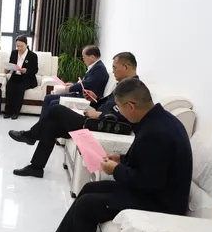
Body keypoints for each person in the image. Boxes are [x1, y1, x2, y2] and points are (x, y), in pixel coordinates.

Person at [28, 78, 193, 232]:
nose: (119, 112)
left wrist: (116, 170)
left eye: (119, 107)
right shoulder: (158, 120)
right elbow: (149, 161)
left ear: (131, 106)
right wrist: (121, 159)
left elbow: (148, 182)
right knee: (90, 188)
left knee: (87, 204)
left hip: (160, 202)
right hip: (154, 191)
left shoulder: (156, 132)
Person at [9, 52, 139, 178]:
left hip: (102, 125)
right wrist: (95, 100)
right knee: (51, 126)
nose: (113, 71)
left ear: (125, 67)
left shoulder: (134, 89)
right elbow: (109, 106)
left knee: (56, 109)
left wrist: (99, 115)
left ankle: (31, 135)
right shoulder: (125, 85)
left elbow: (128, 118)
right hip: (97, 120)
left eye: (115, 67)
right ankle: (36, 168)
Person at [40, 45, 109, 120]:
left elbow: (86, 84)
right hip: (80, 95)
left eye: (84, 56)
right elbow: (86, 82)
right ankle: (43, 123)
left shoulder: (99, 69)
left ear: (92, 57)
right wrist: (73, 84)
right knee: (48, 98)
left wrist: (69, 88)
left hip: (85, 99)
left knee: (53, 102)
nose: (83, 59)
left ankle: (46, 123)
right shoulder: (96, 67)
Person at [3, 36, 39, 119]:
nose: (19, 48)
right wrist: (7, 69)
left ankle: (15, 112)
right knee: (9, 86)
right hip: (16, 76)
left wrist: (26, 70)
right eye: (17, 46)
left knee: (19, 89)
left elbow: (35, 70)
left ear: (26, 45)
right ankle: (7, 111)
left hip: (27, 78)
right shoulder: (14, 53)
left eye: (21, 46)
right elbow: (10, 65)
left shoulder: (33, 56)